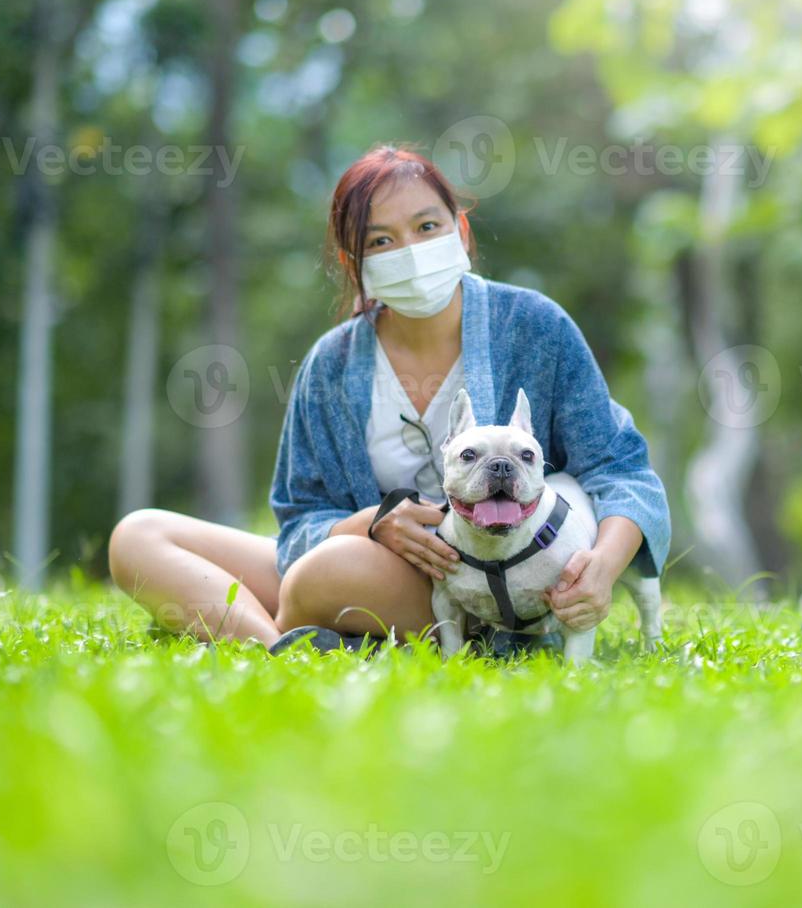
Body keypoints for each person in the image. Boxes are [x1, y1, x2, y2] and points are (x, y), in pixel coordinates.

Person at [107, 145, 669, 653]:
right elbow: (300, 517)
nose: (411, 250)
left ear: (461, 232)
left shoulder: (534, 326)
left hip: (495, 580)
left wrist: (601, 567)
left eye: (427, 226)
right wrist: (372, 523)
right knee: (140, 536)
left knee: (321, 575)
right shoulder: (333, 363)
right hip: (362, 565)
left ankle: (312, 631)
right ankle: (279, 649)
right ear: (357, 264)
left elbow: (619, 469)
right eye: (382, 240)